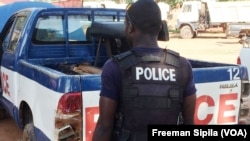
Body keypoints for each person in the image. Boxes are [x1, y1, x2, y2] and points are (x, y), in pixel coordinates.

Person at [92, 0, 197, 141]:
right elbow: (189, 124)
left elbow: (104, 128)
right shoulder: (182, 67)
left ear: (130, 27)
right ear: (160, 28)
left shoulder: (115, 67)